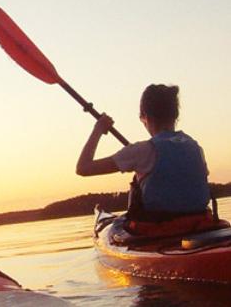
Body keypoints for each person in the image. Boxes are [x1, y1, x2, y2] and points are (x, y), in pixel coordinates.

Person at [76, 84, 210, 221]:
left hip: (156, 227)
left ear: (144, 116)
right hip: (200, 223)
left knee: (137, 182)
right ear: (175, 114)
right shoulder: (196, 148)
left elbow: (83, 168)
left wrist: (98, 129)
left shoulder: (141, 150)